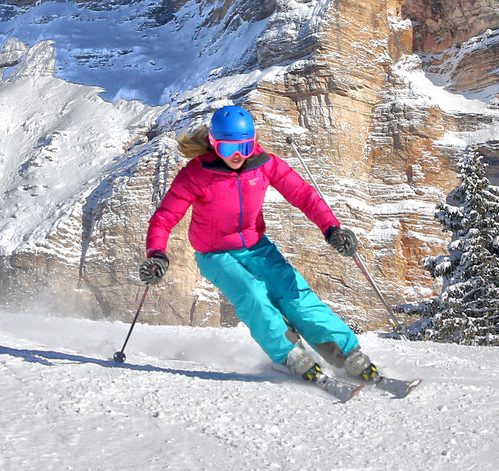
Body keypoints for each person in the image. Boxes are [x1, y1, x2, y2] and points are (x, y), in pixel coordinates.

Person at [138, 104, 382, 385]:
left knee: (294, 296)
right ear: (214, 144)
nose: (238, 156)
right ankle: (289, 355)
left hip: (257, 246)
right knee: (252, 294)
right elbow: (165, 217)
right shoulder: (197, 174)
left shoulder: (264, 164)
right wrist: (157, 254)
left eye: (244, 146)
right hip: (215, 254)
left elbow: (303, 195)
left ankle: (347, 354)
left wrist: (331, 229)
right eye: (229, 149)